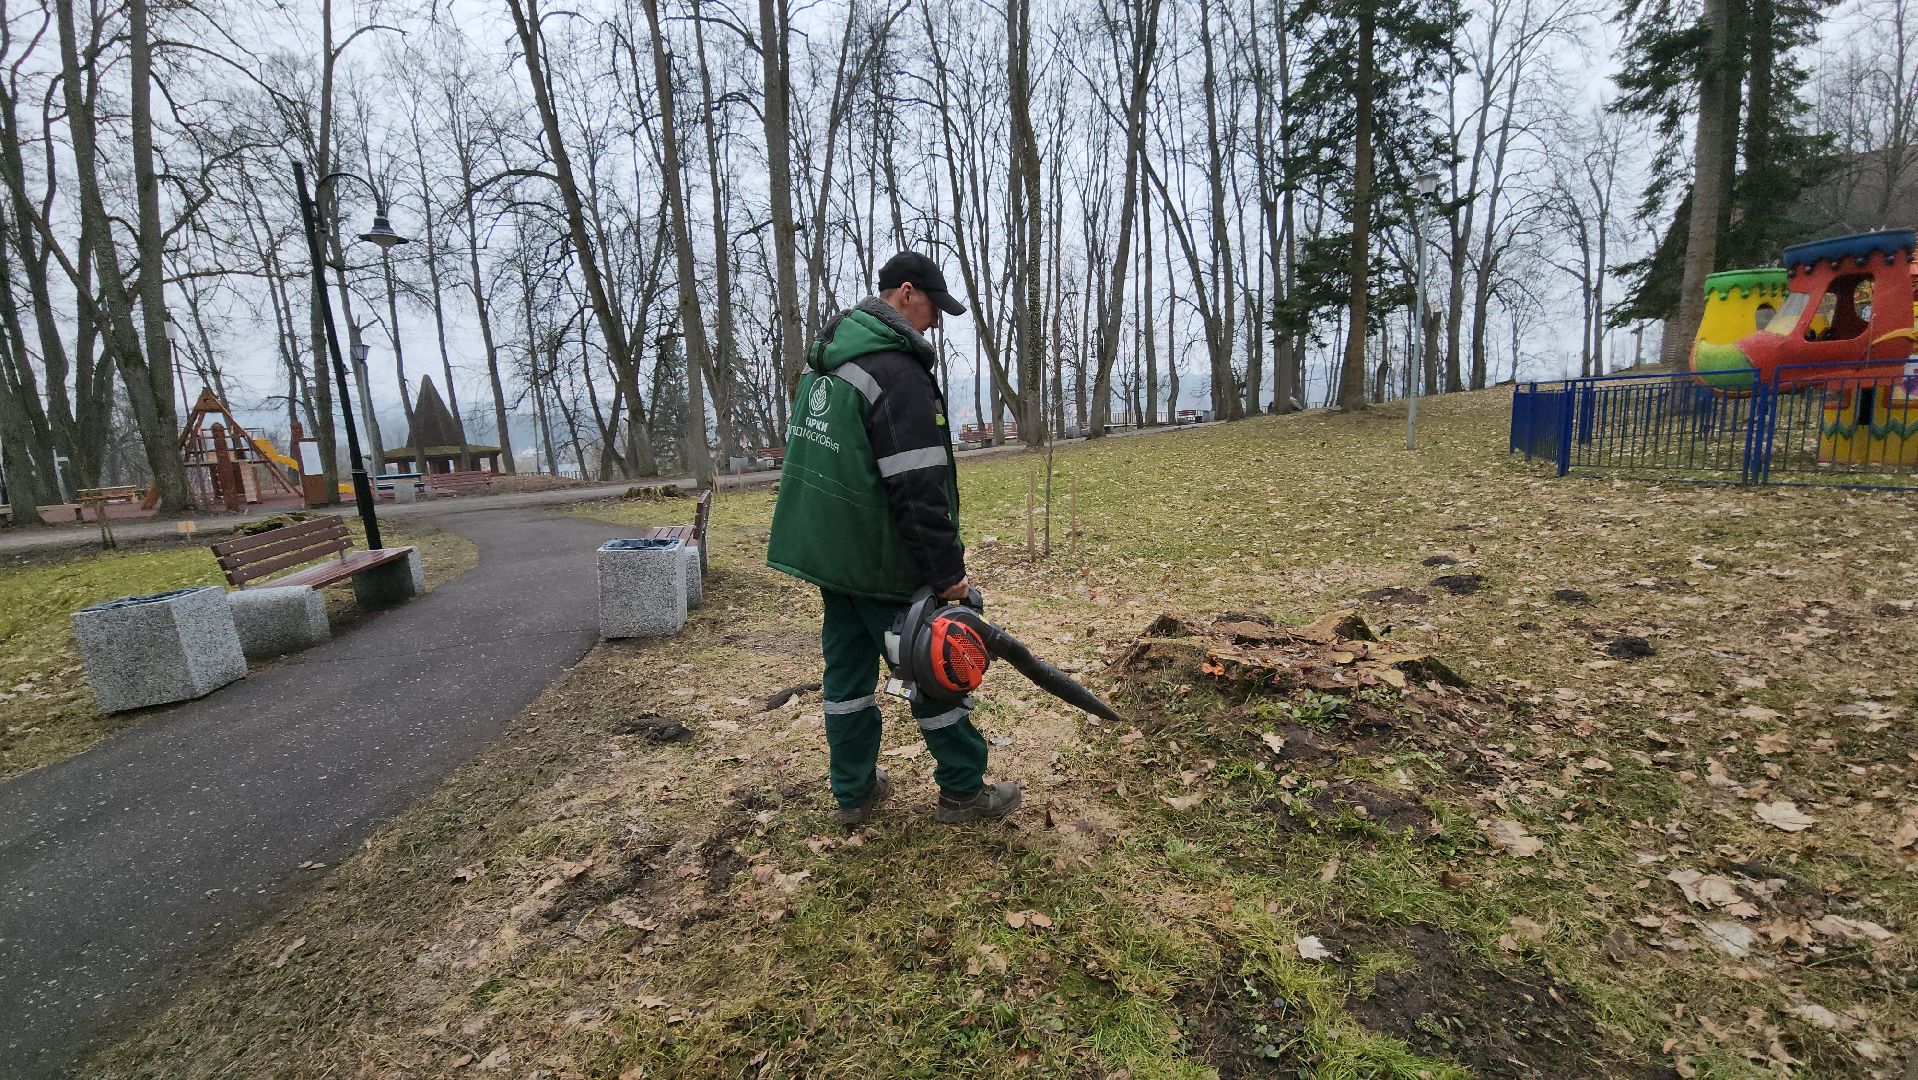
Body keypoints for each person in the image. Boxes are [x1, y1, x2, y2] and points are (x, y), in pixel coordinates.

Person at [767, 251, 1023, 826]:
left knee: (847, 674)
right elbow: (917, 488)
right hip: (883, 560)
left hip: (832, 558)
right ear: (905, 293)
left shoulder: (824, 366)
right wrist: (948, 573)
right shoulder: (898, 374)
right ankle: (963, 788)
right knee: (934, 665)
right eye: (934, 306)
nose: (936, 320)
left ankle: (852, 793)